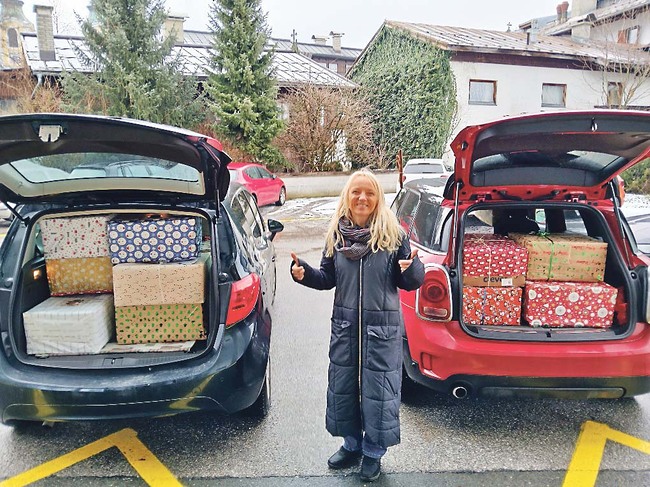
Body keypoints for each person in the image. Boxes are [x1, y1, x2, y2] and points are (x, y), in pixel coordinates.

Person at [290, 169, 424, 482]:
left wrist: (413, 268)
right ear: (347, 197)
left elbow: (409, 283)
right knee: (344, 388)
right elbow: (327, 279)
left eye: (369, 193)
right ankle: (351, 445)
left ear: (378, 199)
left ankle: (373, 452)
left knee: (379, 392)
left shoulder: (394, 237)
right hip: (346, 328)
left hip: (382, 331)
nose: (362, 198)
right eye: (356, 192)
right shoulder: (336, 236)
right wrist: (304, 274)